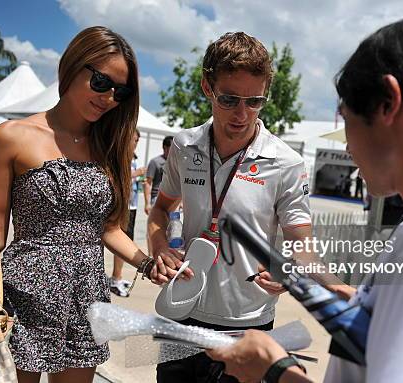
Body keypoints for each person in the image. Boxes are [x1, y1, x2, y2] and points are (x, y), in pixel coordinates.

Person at [207, 18, 403, 383]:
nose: (347, 145)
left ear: (388, 103)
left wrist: (274, 369)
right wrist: (362, 303)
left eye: (346, 118)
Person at [0, 26, 158, 383]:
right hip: (23, 296)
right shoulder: (12, 136)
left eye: (121, 92)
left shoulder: (110, 145)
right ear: (72, 66)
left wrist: (148, 264)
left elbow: (109, 228)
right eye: (102, 83)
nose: (108, 98)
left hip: (87, 298)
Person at [147, 31, 314, 383]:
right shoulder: (183, 146)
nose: (242, 114)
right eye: (229, 99)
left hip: (246, 324)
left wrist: (290, 272)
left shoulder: (286, 162)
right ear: (207, 87)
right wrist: (160, 248)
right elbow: (161, 210)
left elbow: (302, 241)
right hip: (180, 317)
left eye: (254, 101)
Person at [110, 129, 146, 297]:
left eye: (137, 141)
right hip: (122, 206)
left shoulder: (133, 159)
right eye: (133, 140)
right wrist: (135, 174)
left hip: (132, 205)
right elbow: (116, 177)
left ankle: (117, 276)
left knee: (127, 240)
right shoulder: (118, 157)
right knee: (121, 242)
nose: (135, 144)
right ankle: (116, 279)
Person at [143, 135, 173, 215]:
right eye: (172, 147)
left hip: (172, 199)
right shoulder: (155, 162)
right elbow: (148, 183)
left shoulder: (176, 163)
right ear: (165, 147)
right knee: (158, 227)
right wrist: (147, 203)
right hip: (157, 199)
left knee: (172, 227)